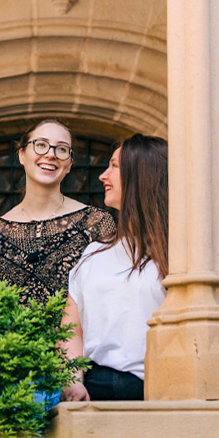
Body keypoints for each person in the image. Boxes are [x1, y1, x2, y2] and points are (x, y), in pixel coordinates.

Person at [61, 133, 169, 402]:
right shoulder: (94, 253)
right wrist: (71, 380)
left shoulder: (182, 251)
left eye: (114, 166)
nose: (103, 175)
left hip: (160, 390)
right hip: (95, 389)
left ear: (142, 174)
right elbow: (72, 329)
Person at [0, 119, 117, 307]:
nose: (51, 154)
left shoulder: (96, 222)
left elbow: (109, 296)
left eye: (62, 149)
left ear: (69, 164)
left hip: (76, 336)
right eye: (41, 145)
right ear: (21, 155)